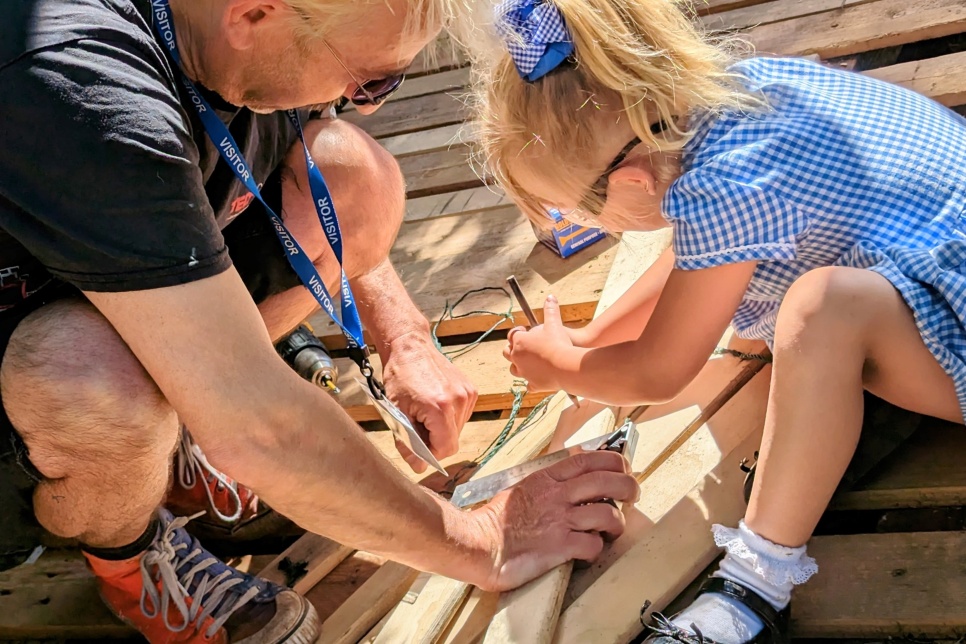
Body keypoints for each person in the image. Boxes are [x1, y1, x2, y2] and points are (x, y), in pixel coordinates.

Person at [0, 0, 641, 641]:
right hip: (29, 359)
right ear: (252, 18)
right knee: (93, 378)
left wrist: (406, 340)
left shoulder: (238, 35)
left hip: (124, 264)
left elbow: (324, 164)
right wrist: (481, 540)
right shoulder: (82, 91)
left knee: (354, 176)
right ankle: (126, 553)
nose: (369, 102)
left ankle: (179, 431)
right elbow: (258, 423)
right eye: (369, 80)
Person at [472, 0, 966, 641]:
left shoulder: (726, 185)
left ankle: (756, 587)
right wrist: (593, 339)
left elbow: (658, 373)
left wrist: (558, 364)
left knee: (822, 312)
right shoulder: (731, 98)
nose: (585, 226)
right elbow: (698, 255)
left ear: (629, 179)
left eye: (577, 212)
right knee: (793, 312)